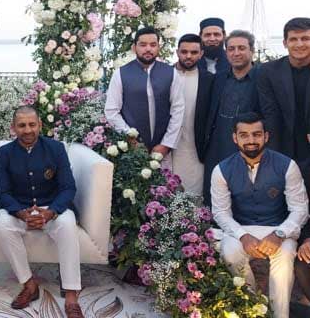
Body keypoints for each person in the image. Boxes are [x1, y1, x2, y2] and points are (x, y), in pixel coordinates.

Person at [211, 112, 308, 318]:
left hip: (278, 228)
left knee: (283, 262)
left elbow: (300, 208)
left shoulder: (287, 165)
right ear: (235, 138)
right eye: (244, 135)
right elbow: (220, 212)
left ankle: (280, 314)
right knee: (230, 253)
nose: (251, 140)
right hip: (241, 228)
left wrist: (279, 234)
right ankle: (253, 306)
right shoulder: (221, 170)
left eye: (256, 134)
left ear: (266, 136)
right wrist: (242, 236)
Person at [0, 106, 84, 318]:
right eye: (22, 125)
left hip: (52, 208)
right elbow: (2, 191)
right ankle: (29, 284)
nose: (27, 130)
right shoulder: (4, 153)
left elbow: (68, 187)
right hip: (20, 209)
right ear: (13, 128)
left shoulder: (56, 148)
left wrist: (50, 212)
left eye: (32, 124)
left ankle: (71, 295)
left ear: (40, 125)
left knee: (69, 225)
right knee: (0, 224)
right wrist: (21, 213)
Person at [257, 18, 310, 307]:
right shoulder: (269, 71)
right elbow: (269, 113)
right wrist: (274, 157)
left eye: (306, 39)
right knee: (285, 201)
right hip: (282, 148)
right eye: (294, 39)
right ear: (286, 41)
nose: (300, 45)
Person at [105, 26, 185, 167]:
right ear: (134, 47)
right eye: (143, 45)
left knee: (162, 187)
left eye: (153, 45)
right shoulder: (120, 74)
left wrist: (166, 144)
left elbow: (178, 110)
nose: (148, 49)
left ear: (158, 47)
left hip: (162, 150)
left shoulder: (171, 73)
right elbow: (111, 111)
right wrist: (129, 137)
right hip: (131, 148)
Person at [203, 30, 259, 205]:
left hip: (251, 150)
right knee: (215, 199)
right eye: (231, 48)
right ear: (226, 52)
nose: (236, 53)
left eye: (242, 48)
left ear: (252, 51)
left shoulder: (264, 78)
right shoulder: (217, 80)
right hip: (217, 148)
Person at [171, 34, 214, 195]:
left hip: (196, 150)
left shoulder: (209, 80)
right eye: (184, 51)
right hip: (167, 149)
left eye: (194, 52)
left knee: (194, 195)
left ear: (201, 54)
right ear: (177, 52)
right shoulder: (164, 75)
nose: (188, 56)